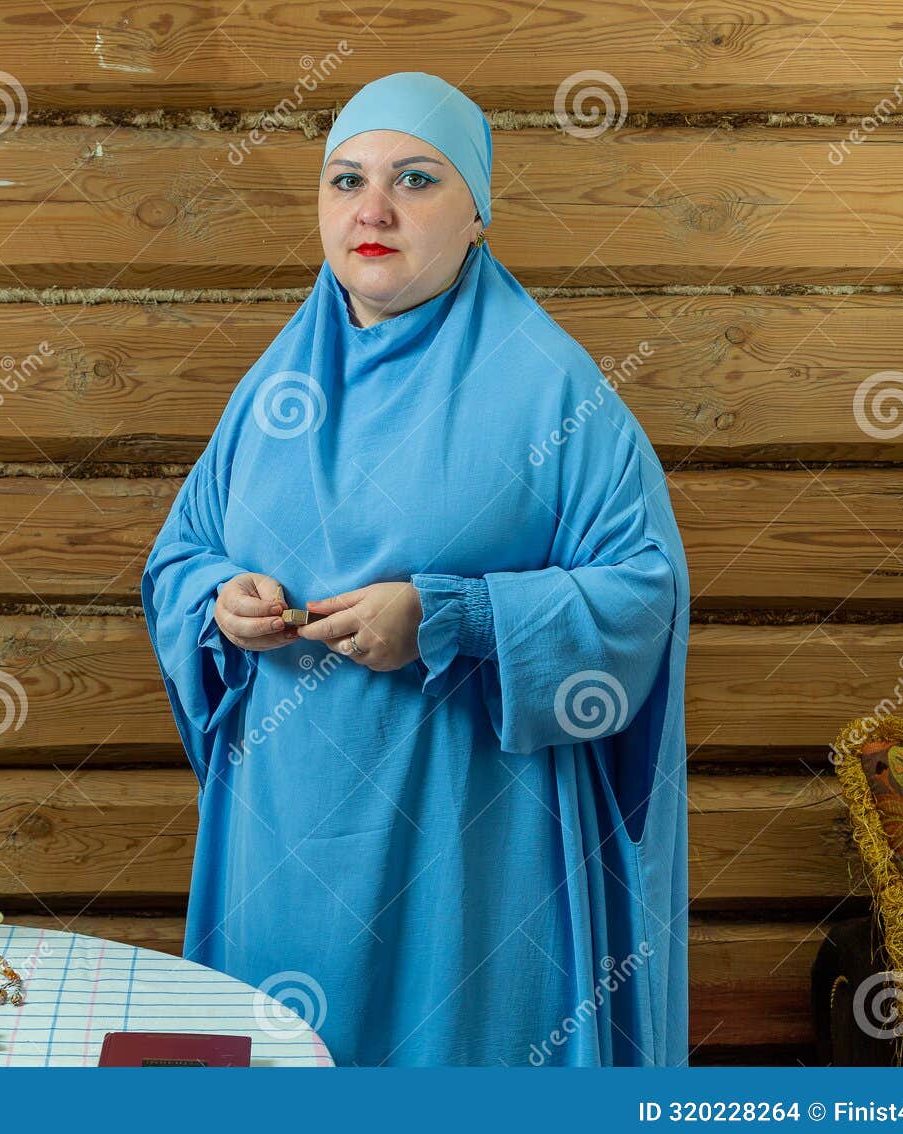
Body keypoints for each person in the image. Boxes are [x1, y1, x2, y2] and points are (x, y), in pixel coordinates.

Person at [140, 72, 690, 1066]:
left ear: (477, 213)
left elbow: (640, 593)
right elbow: (181, 555)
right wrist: (215, 601)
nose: (373, 209)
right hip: (284, 843)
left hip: (472, 856)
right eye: (345, 179)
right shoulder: (273, 390)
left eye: (417, 179)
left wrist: (454, 618)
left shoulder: (550, 390)